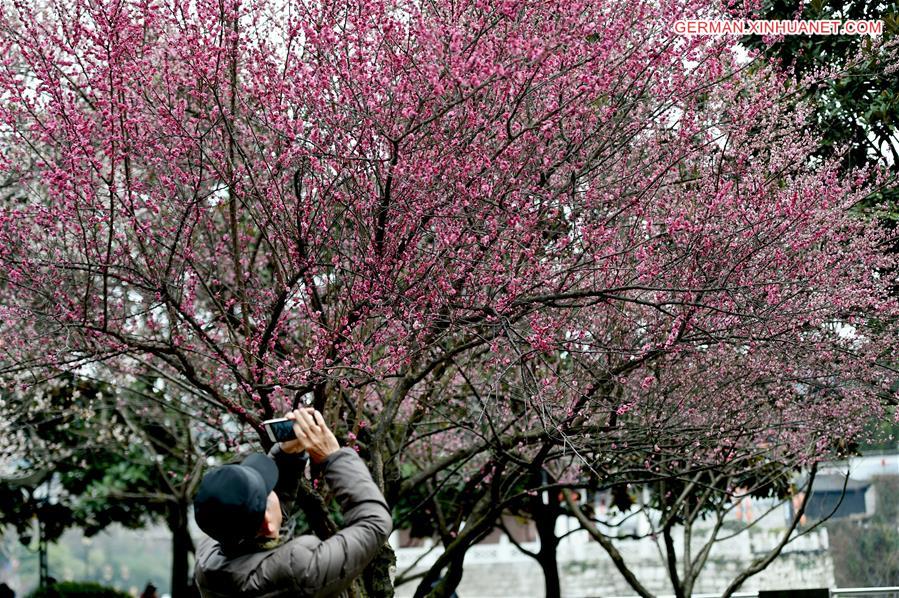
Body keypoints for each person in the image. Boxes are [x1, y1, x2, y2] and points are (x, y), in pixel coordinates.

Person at [193, 408, 392, 597]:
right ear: (267, 521)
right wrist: (334, 457)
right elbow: (374, 523)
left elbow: (258, 513)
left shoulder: (208, 561)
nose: (273, 491)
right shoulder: (299, 570)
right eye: (268, 490)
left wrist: (289, 453)